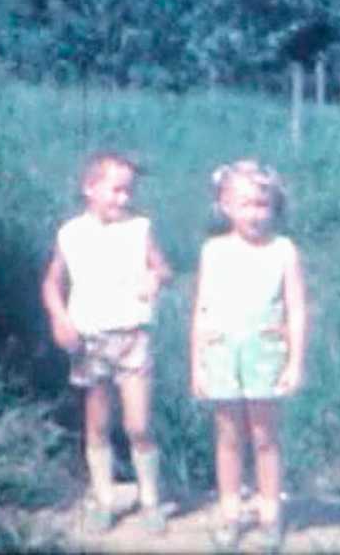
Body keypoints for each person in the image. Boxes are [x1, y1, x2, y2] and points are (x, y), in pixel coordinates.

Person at [42, 151, 172, 535]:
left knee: (138, 424)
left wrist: (155, 279)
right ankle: (103, 497)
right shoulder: (70, 234)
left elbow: (162, 267)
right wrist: (59, 318)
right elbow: (52, 282)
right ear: (90, 188)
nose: (124, 199)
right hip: (90, 339)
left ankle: (150, 499)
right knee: (97, 423)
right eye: (116, 190)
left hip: (133, 336)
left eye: (129, 191)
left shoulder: (140, 229)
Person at [190, 159, 309, 552]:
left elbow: (296, 310)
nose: (255, 214)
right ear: (225, 206)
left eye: (263, 205)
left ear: (274, 207)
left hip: (265, 354)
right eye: (245, 204)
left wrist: (294, 362)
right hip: (223, 353)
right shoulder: (214, 250)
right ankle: (230, 513)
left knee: (264, 437)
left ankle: (269, 513)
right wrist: (197, 366)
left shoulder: (283, 250)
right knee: (227, 436)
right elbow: (202, 310)